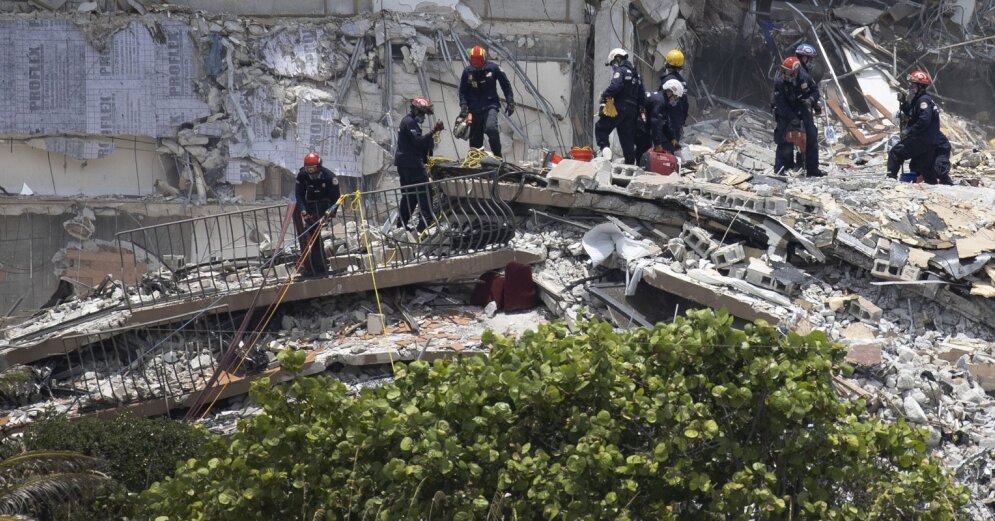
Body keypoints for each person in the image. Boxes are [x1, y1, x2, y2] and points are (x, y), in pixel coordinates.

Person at [395, 96, 444, 231]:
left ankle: (401, 225)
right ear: (416, 110)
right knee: (425, 192)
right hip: (411, 166)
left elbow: (421, 146)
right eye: (422, 113)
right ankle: (426, 223)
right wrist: (434, 131)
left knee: (410, 196)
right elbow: (418, 142)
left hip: (405, 164)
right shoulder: (409, 122)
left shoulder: (409, 122)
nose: (423, 117)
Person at [458, 45, 515, 159]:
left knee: (491, 128)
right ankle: (476, 163)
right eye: (474, 61)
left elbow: (506, 85)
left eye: (479, 61)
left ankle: (498, 157)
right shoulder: (467, 72)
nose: (477, 64)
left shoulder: (494, 68)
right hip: (473, 109)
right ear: (470, 60)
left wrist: (510, 101)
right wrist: (463, 106)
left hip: (490, 106)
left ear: (485, 59)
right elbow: (462, 91)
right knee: (475, 141)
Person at [888, 70, 944, 183]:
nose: (910, 87)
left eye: (913, 85)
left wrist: (908, 131)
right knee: (925, 168)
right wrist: (903, 103)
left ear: (920, 86)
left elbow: (924, 121)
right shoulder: (919, 100)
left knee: (896, 152)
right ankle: (932, 185)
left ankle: (890, 179)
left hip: (922, 139)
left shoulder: (923, 101)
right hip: (929, 140)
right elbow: (911, 113)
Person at [595, 48, 645, 165]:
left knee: (601, 128)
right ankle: (629, 165)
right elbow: (642, 96)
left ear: (617, 59)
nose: (613, 67)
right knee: (627, 139)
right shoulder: (636, 75)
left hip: (619, 107)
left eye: (613, 64)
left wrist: (604, 96)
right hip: (632, 111)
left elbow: (616, 86)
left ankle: (605, 151)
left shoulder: (621, 71)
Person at [294, 152, 340, 276]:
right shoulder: (302, 175)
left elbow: (336, 198)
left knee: (316, 232)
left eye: (313, 169)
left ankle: (320, 266)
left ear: (319, 167)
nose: (311, 173)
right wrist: (303, 210)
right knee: (312, 235)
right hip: (311, 206)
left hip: (325, 205)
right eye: (308, 170)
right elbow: (299, 194)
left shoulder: (329, 177)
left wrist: (331, 211)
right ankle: (317, 266)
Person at [772, 57, 805, 175]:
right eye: (784, 70)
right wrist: (793, 117)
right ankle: (781, 169)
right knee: (783, 142)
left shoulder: (801, 81)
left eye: (788, 71)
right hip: (784, 117)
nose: (785, 73)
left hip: (798, 115)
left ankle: (801, 167)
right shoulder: (779, 82)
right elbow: (781, 104)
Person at [658, 49, 689, 142]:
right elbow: (685, 105)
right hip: (677, 122)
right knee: (672, 150)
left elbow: (659, 101)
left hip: (666, 121)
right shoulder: (683, 82)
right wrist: (681, 123)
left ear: (668, 64)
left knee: (662, 152)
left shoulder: (667, 81)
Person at [646, 79, 684, 153]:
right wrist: (657, 144)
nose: (676, 99)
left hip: (642, 121)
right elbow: (655, 123)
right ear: (670, 93)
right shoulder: (659, 101)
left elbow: (666, 122)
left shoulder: (663, 101)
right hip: (637, 120)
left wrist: (672, 138)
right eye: (676, 97)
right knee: (644, 145)